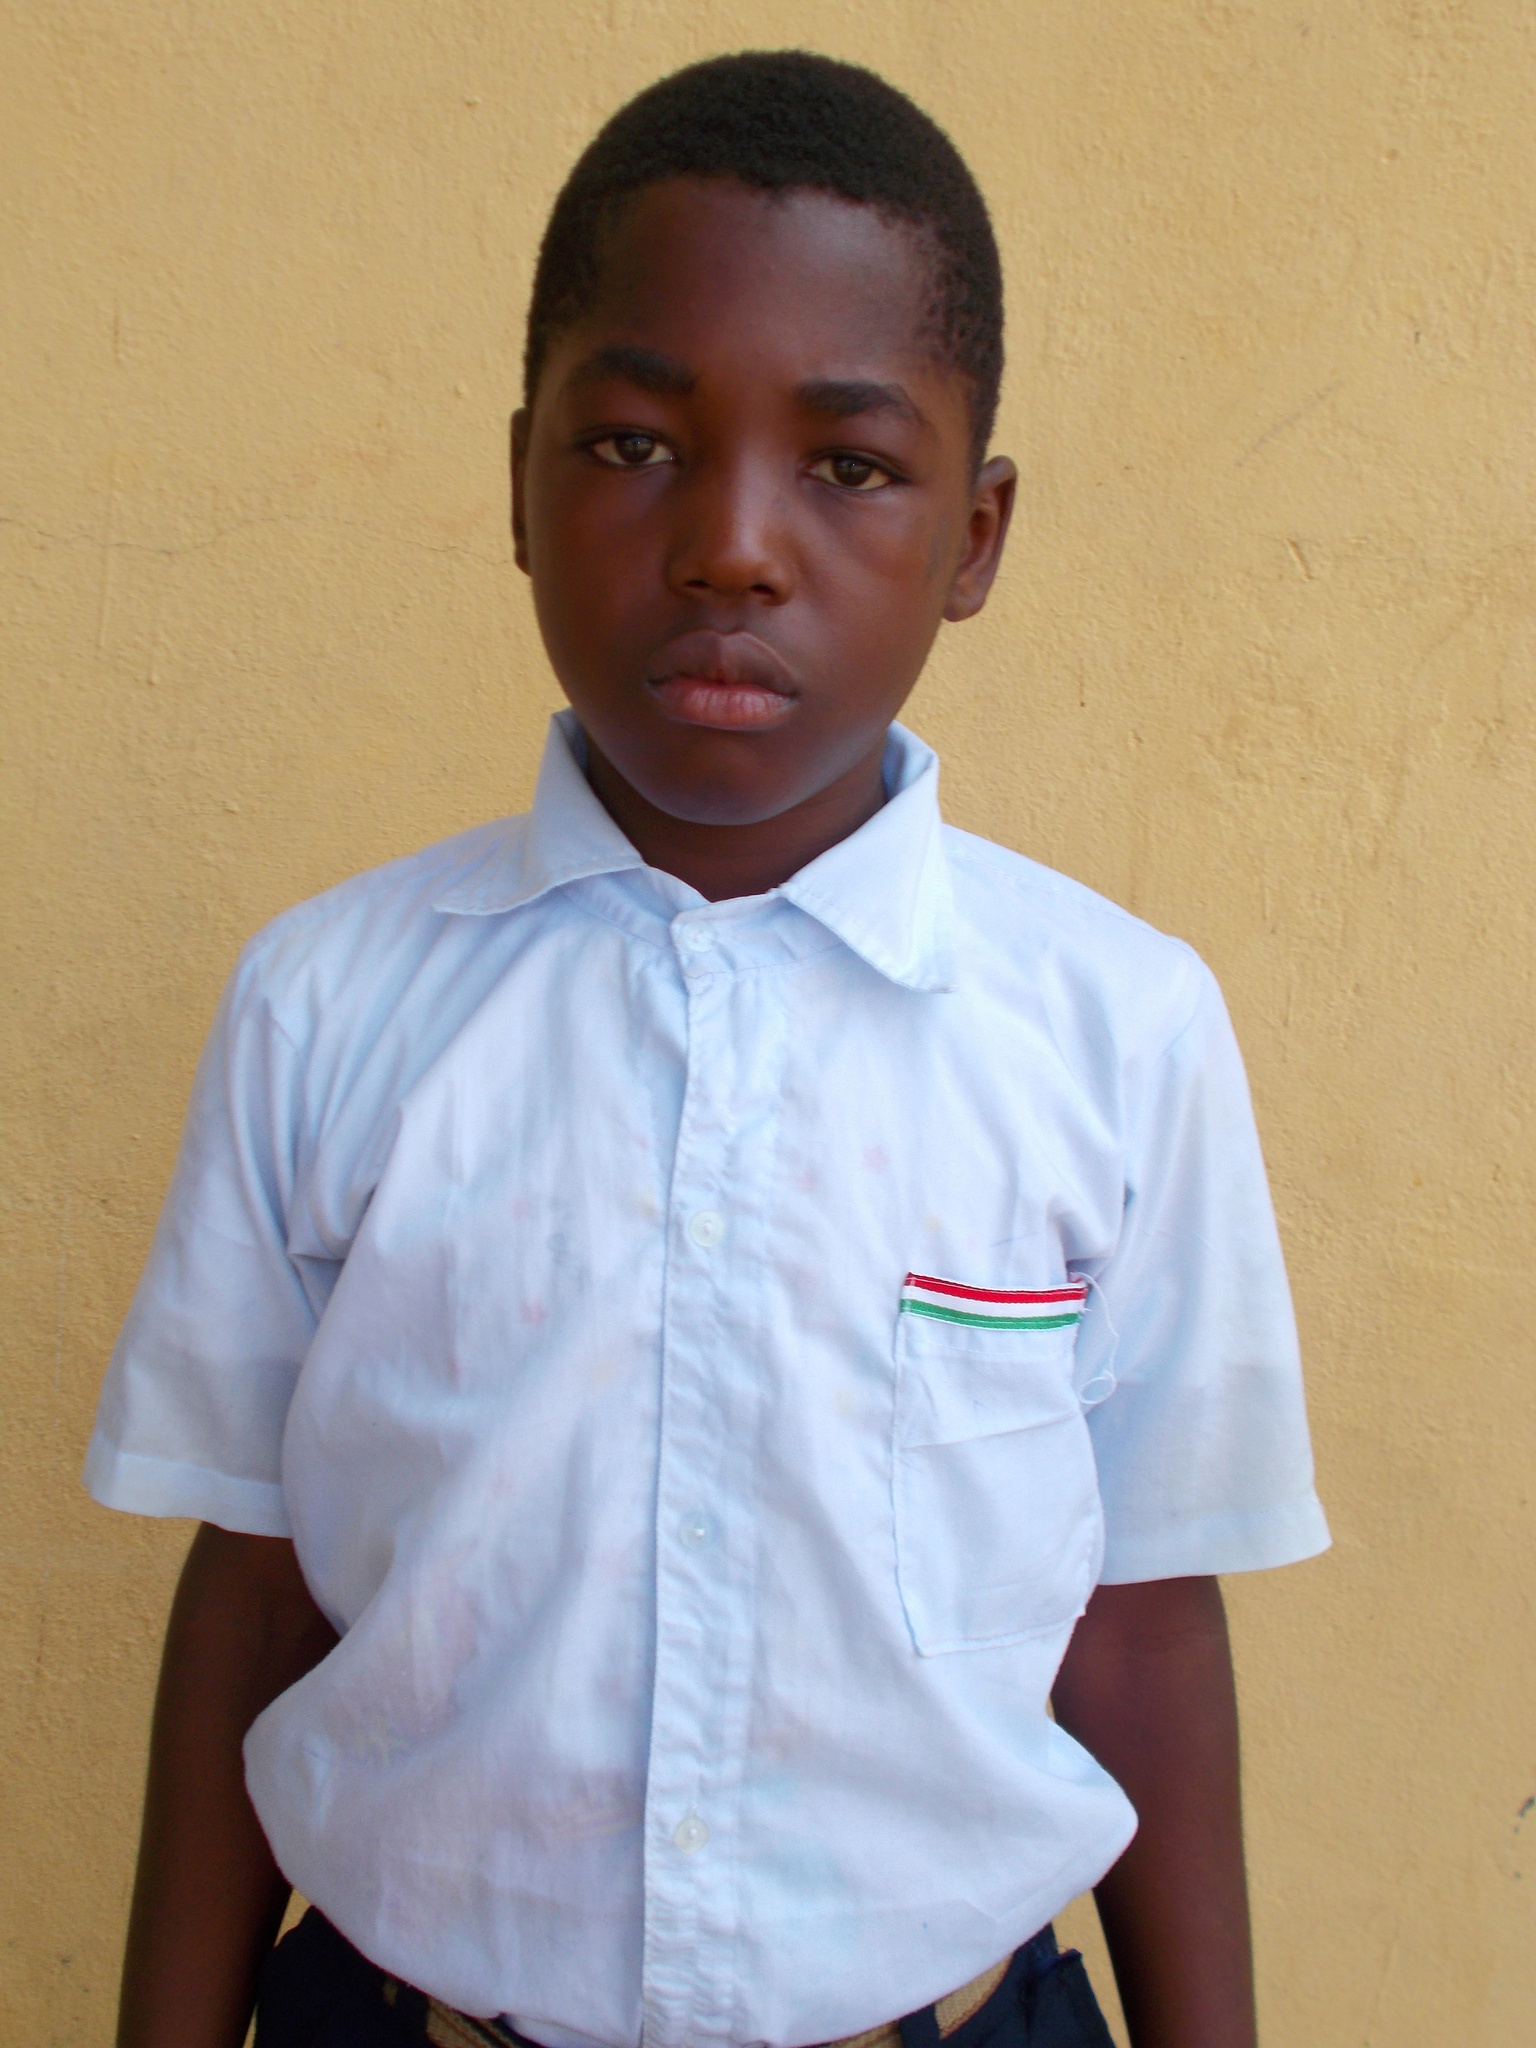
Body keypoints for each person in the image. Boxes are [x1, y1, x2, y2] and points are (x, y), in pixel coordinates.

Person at [87, 50, 1329, 2048]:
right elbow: (258, 1586)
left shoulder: (1114, 1030)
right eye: (635, 443)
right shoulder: (326, 1006)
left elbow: (1143, 1627)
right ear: (519, 483)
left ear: (978, 534)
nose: (733, 546)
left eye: (849, 466)